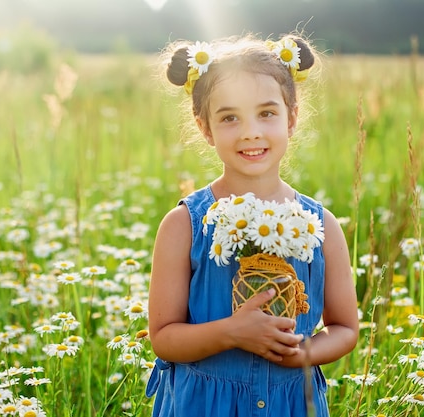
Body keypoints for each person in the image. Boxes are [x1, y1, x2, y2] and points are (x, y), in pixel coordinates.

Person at [146, 33, 359, 417]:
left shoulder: (320, 226)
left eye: (266, 113)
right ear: (205, 127)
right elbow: (163, 338)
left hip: (290, 403)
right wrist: (231, 332)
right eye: (229, 117)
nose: (250, 132)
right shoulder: (184, 225)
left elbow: (345, 328)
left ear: (291, 117)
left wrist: (301, 356)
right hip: (203, 406)